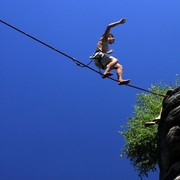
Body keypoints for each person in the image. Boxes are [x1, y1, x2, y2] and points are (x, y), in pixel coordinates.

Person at [90, 18, 130, 85]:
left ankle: (120, 80)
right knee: (115, 60)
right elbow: (109, 26)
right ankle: (106, 72)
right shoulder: (104, 38)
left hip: (100, 64)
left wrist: (108, 52)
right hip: (99, 58)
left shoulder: (105, 46)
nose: (113, 41)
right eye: (113, 40)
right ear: (109, 37)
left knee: (119, 66)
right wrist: (119, 22)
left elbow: (103, 53)